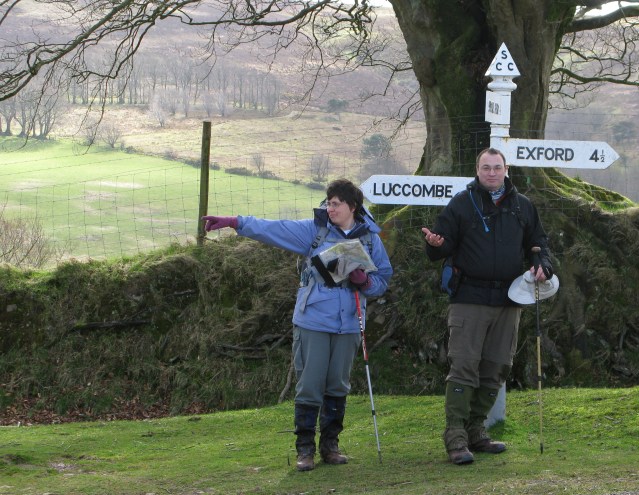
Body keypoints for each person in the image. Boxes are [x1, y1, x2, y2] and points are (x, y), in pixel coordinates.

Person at [202, 179, 393, 471]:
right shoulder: (313, 232)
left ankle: (330, 447)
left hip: (350, 324)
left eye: (336, 203)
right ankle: (305, 450)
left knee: (337, 386)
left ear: (352, 207)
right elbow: (273, 228)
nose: (330, 209)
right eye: (328, 203)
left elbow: (382, 281)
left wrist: (365, 281)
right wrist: (235, 222)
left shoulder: (370, 239)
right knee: (310, 386)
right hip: (313, 320)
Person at [421, 147, 554, 465]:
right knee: (464, 366)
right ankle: (455, 436)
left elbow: (538, 243)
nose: (492, 173)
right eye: (485, 167)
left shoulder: (523, 206)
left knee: (496, 367)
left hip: (510, 299)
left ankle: (476, 432)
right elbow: (441, 246)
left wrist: (542, 264)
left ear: (506, 170)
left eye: (497, 167)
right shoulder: (461, 204)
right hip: (469, 298)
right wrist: (435, 245)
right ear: (477, 170)